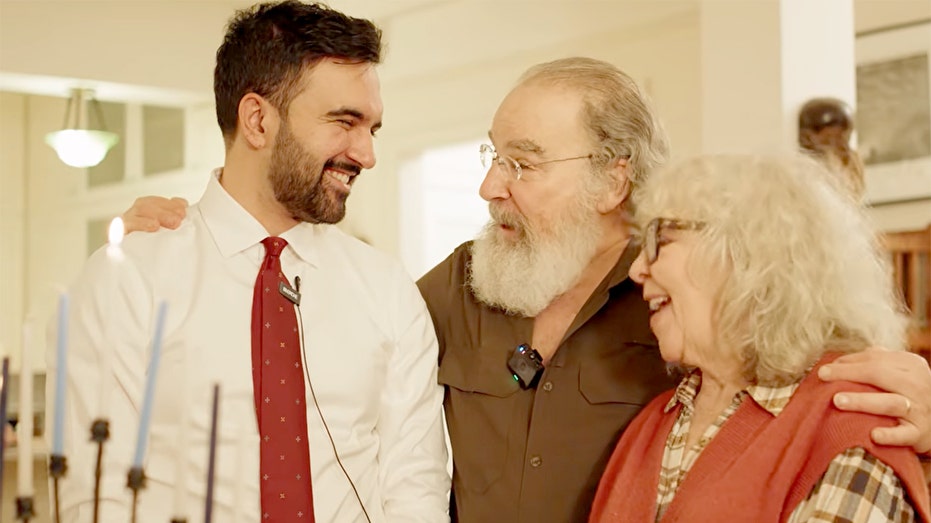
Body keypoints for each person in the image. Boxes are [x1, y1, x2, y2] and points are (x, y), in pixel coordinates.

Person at [122, 57, 931, 522]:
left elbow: (811, 381)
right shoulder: (454, 287)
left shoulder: (691, 305)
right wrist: (202, 233)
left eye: (521, 161)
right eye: (492, 155)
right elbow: (319, 324)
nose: (489, 186)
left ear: (613, 178)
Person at [48, 2, 449, 522]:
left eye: (371, 129)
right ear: (258, 120)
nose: (366, 154)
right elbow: (94, 492)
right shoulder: (129, 278)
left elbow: (415, 487)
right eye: (344, 122)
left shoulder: (388, 289)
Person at [589, 154, 930, 522]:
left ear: (748, 254)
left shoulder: (848, 419)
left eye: (662, 240)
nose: (637, 269)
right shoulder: (650, 427)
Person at [798, 97, 866, 201]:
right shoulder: (802, 176)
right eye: (830, 140)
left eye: (846, 138)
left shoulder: (852, 162)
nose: (842, 148)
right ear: (807, 138)